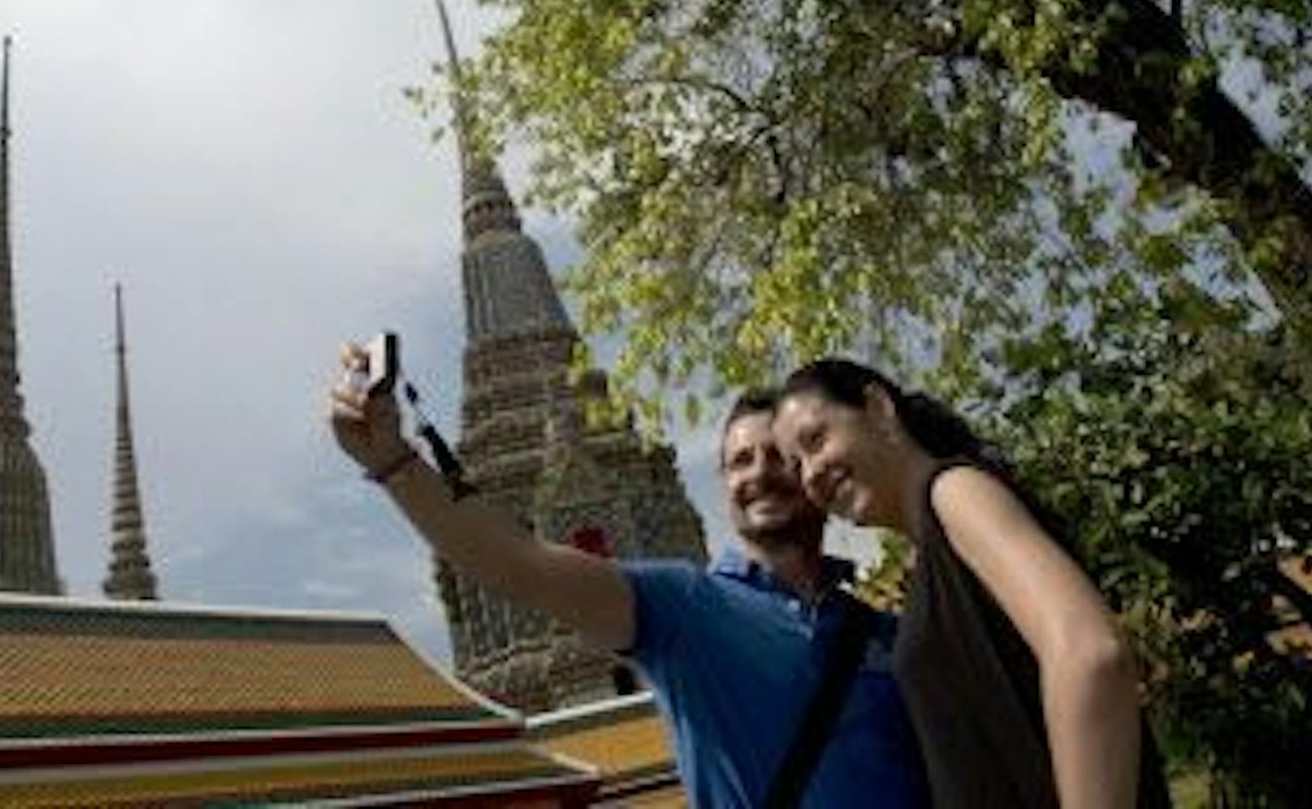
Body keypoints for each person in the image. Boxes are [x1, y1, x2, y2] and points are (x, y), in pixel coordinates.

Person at [328, 346, 929, 808]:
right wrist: (396, 464)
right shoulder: (686, 605)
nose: (760, 473)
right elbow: (518, 562)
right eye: (741, 460)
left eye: (779, 457)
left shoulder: (884, 631)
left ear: (814, 474)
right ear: (722, 484)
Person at [772, 360, 1171, 809]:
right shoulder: (932, 548)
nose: (810, 474)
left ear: (879, 407)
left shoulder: (954, 492)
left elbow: (1090, 654)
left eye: (816, 440)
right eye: (796, 465)